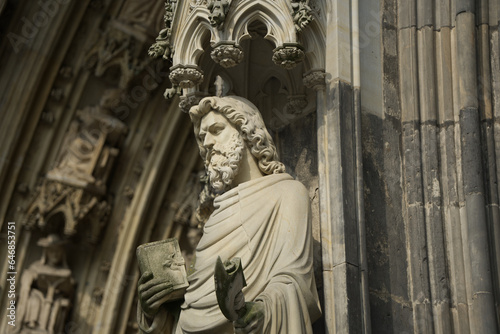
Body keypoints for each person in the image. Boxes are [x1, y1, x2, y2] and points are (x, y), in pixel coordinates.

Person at [137, 96, 321, 333]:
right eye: (202, 138)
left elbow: (294, 281)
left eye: (216, 130)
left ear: (246, 132)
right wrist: (158, 309)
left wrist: (264, 310)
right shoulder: (214, 218)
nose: (208, 144)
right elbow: (194, 308)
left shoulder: (286, 193)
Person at [14, 234, 74, 334]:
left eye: (58, 251)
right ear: (46, 253)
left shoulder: (65, 271)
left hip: (56, 299)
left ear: (62, 253)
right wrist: (31, 277)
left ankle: (49, 330)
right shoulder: (36, 267)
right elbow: (26, 282)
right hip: (37, 295)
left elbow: (69, 290)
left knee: (57, 304)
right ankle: (31, 325)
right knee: (34, 300)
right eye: (52, 251)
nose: (55, 254)